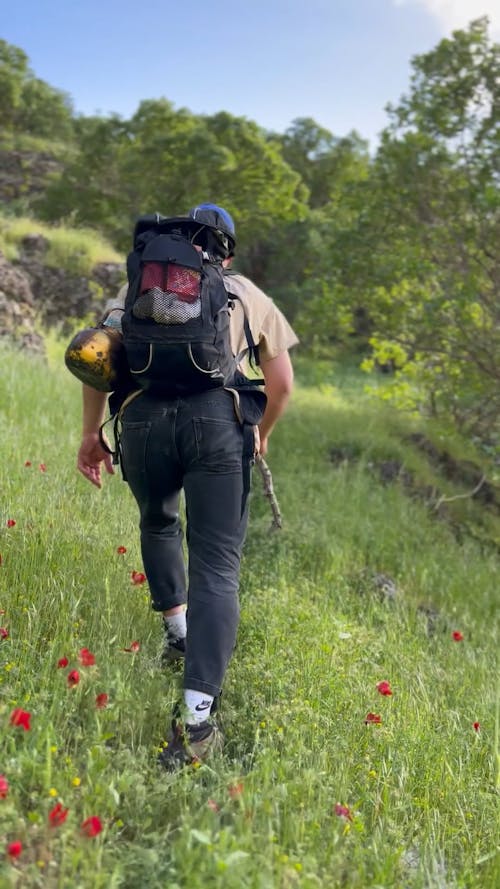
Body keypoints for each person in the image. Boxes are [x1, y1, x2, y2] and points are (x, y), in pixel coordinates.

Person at [77, 204, 298, 768]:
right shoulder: (244, 292)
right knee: (217, 565)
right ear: (225, 248)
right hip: (217, 424)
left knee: (157, 522)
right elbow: (282, 385)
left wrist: (89, 436)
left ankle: (177, 634)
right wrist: (261, 435)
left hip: (144, 422)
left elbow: (98, 362)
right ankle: (198, 720)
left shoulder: (137, 291)